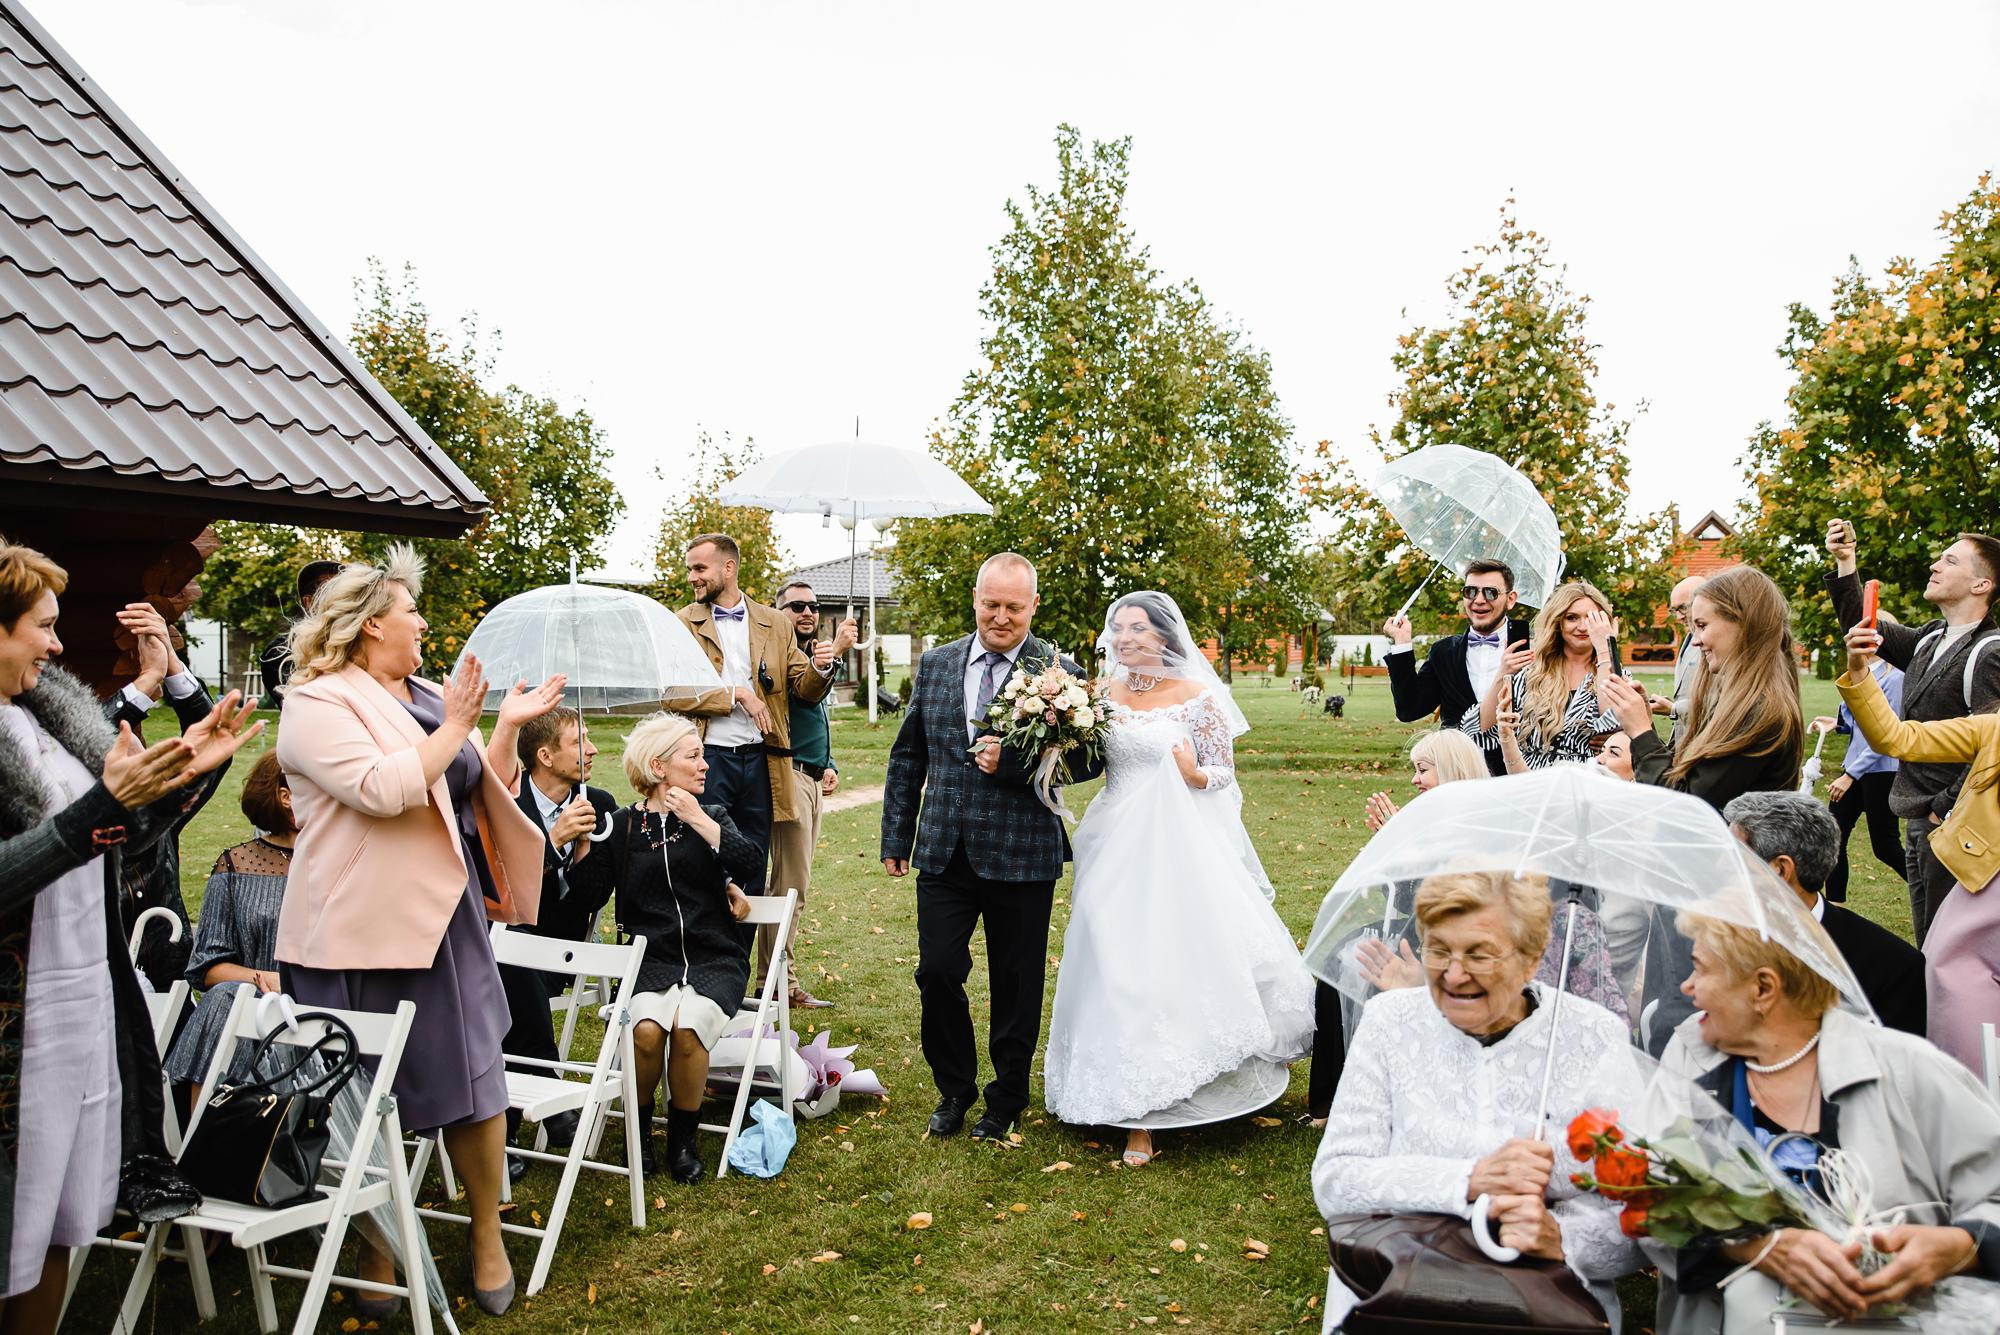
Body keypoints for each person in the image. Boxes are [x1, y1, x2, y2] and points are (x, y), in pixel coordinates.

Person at [275, 545, 562, 1317]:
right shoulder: (315, 702)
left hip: (445, 921)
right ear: (371, 625)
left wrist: (496, 730)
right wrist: (462, 723)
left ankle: (484, 1233)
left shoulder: (432, 694)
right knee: (364, 1092)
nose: (424, 621)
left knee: (475, 1080)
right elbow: (385, 787)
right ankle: (377, 1241)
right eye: (411, 610)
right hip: (353, 929)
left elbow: (465, 786)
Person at [0, 536, 259, 1332]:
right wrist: (96, 813)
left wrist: (191, 771)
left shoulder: (39, 718)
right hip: (12, 1026)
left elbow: (123, 835)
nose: (56, 641)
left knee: (55, 1221)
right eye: (40, 625)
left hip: (81, 1008)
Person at [1043, 592, 1314, 1167]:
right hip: (1113, 839)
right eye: (1118, 629)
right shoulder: (1097, 695)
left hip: (1177, 846)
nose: (1126, 639)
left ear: (1165, 637)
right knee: (1110, 956)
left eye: (1138, 629)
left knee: (1168, 958)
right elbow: (1081, 761)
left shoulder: (1199, 697)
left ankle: (1164, 1101)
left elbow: (1224, 774)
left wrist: (1195, 774)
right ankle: (1122, 1095)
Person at [1313, 870, 1644, 1331]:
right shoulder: (1391, 1021)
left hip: (1542, 1304)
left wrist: (1564, 1239)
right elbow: (1336, 1180)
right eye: (1439, 950)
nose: (1453, 974)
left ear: (1530, 959)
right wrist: (1469, 1180)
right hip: (1397, 1291)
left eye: (1479, 954)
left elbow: (1634, 1216)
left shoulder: (1593, 1035)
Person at [1654, 905, 2000, 1332]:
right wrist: (1755, 1247)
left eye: (1700, 969)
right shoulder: (1689, 1055)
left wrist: (1960, 1245)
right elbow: (1648, 1203)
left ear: (1763, 989)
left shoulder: (1908, 1069)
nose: (1687, 987)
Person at [880, 552, 1105, 1144]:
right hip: (944, 850)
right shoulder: (936, 664)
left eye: (1013, 606)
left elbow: (1090, 756)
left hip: (1021, 851)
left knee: (1016, 979)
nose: (1000, 617)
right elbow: (909, 755)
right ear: (975, 599)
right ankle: (954, 1088)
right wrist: (896, 836)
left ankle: (1006, 1097)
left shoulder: (1060, 670)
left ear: (1033, 605)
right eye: (991, 604)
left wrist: (1017, 764)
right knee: (937, 971)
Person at [589, 712, 758, 1183]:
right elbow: (588, 895)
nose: (705, 765)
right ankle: (640, 1137)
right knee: (644, 1031)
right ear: (659, 767)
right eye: (694, 756)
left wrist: (701, 821)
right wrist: (578, 844)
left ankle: (683, 1140)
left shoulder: (711, 816)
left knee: (687, 1028)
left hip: (714, 956)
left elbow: (750, 862)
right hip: (650, 958)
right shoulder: (623, 828)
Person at [1827, 519, 2000, 943]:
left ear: (1981, 585)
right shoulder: (1929, 638)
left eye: (1950, 560)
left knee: (1949, 949)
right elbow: (1862, 627)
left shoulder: (1991, 653)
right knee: (1927, 941)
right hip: (1918, 817)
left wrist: (1943, 807)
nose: (1935, 565)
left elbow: (1992, 748)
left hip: (1953, 827)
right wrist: (1847, 562)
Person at [1838, 621, 2000, 1074]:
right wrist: (1858, 671)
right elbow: (1898, 738)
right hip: (1983, 890)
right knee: (1954, 997)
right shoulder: (1994, 729)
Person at [672, 535, 836, 923]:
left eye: (699, 569)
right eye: (690, 569)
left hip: (762, 764)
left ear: (728, 569)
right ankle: (701, 963)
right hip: (707, 761)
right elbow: (671, 693)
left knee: (752, 866)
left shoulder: (776, 623)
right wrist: (737, 695)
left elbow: (803, 687)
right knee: (703, 859)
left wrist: (821, 667)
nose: (693, 577)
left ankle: (738, 974)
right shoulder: (682, 623)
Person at [495, 706, 619, 1168]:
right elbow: (503, 888)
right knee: (504, 965)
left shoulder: (600, 804)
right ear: (545, 756)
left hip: (558, 948)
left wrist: (585, 851)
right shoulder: (507, 801)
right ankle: (549, 1096)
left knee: (503, 973)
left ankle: (503, 1134)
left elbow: (588, 900)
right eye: (579, 741)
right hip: (509, 940)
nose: (592, 748)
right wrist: (553, 840)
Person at [1599, 566, 1803, 813]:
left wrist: (1640, 732)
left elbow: (1683, 808)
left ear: (1742, 623)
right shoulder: (1743, 700)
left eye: (1702, 625)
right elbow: (1687, 780)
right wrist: (1646, 722)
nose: (1695, 640)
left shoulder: (1756, 711)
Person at [1723, 790, 1927, 1036]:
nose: (1720, 865)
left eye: (1735, 855)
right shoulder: (1706, 933)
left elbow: (1898, 1066)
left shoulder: (1892, 966)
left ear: (1779, 869)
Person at [163, 751, 297, 1095]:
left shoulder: (346, 862)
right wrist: (267, 981)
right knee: (226, 997)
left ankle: (208, 1135)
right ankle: (208, 1132)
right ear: (286, 797)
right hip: (249, 1008)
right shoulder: (237, 865)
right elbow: (207, 969)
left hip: (323, 1010)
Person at [111, 601, 227, 992]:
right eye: (129, 750)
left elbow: (208, 752)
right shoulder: (83, 823)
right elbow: (74, 736)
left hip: (167, 983)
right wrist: (146, 681)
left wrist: (172, 665)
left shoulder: (165, 814)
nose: (142, 750)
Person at [766, 580, 857, 1009]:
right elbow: (802, 696)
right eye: (796, 605)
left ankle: (776, 978)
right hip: (788, 778)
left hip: (812, 777)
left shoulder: (811, 653)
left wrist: (830, 763)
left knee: (793, 886)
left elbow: (816, 716)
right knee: (788, 887)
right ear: (777, 610)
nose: (807, 612)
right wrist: (836, 651)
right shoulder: (779, 655)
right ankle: (777, 982)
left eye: (813, 606)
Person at [1382, 558, 1532, 775]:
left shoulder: (1533, 651)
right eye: (1470, 591)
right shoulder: (1444, 652)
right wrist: (1402, 643)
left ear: (1510, 599)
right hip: (1454, 774)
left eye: (1490, 592)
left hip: (1513, 775)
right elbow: (1409, 709)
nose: (1479, 600)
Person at [1462, 580, 1621, 770]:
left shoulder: (1612, 672)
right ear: (1558, 622)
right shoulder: (1532, 673)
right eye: (1572, 618)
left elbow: (1612, 724)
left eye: (1591, 618)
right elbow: (1480, 729)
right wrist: (1503, 673)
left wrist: (1605, 649)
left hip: (1584, 783)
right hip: (1530, 780)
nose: (1582, 626)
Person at [1812, 647, 1905, 903]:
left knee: (1885, 847)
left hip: (1880, 771)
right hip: (1854, 769)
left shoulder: (1895, 678)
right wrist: (1838, 724)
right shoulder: (1860, 674)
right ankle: (1835, 907)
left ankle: (1934, 890)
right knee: (1833, 838)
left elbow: (1888, 734)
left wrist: (1850, 775)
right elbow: (1862, 723)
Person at [257, 558, 341, 711]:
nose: (345, 601)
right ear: (309, 602)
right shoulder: (281, 652)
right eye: (334, 592)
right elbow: (301, 707)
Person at [1659, 574, 1706, 743]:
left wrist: (1673, 708)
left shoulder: (1717, 645)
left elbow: (1721, 702)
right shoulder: (1688, 638)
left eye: (1683, 608)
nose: (1678, 617)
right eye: (1674, 610)